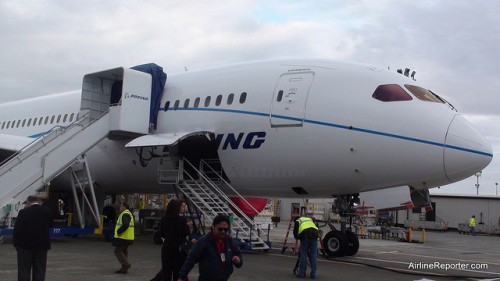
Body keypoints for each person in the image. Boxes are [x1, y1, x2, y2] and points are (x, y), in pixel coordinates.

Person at [178, 214, 243, 281]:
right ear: (213, 227)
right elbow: (191, 259)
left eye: (225, 229)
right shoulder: (204, 242)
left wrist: (238, 260)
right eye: (220, 229)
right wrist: (182, 277)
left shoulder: (230, 241)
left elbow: (238, 255)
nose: (223, 231)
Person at [13, 195, 54, 281]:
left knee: (24, 271)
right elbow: (50, 224)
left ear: (28, 201)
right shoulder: (47, 211)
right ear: (38, 201)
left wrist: (16, 244)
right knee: (40, 270)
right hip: (42, 246)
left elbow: (17, 229)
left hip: (25, 246)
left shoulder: (23, 212)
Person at [113, 202, 135, 274]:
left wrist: (119, 231)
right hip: (128, 237)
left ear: (124, 207)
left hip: (123, 237)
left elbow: (126, 224)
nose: (119, 207)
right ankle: (124, 269)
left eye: (121, 206)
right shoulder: (128, 213)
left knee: (117, 251)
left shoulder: (125, 214)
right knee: (124, 251)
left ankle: (126, 265)